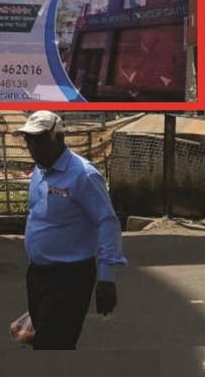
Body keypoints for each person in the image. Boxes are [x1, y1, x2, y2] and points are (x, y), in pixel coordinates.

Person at [18, 110, 126, 350]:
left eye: (40, 140)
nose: (34, 147)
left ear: (59, 138)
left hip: (69, 278)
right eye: (29, 140)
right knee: (47, 342)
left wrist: (106, 279)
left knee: (52, 346)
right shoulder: (39, 170)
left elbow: (107, 222)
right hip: (38, 275)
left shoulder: (83, 176)